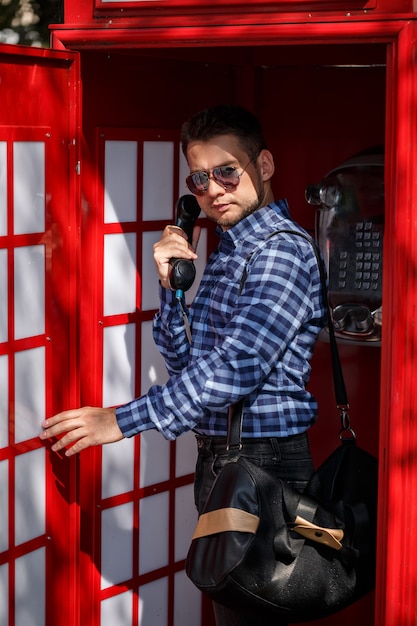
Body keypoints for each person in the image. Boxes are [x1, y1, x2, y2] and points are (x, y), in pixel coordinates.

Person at [40, 104, 326, 626]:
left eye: (226, 172)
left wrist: (120, 420)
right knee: (232, 610)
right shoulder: (227, 249)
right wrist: (172, 285)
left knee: (254, 614)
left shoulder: (280, 253)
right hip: (223, 460)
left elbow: (237, 366)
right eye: (199, 178)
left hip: (266, 467)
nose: (213, 189)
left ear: (263, 165)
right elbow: (185, 360)